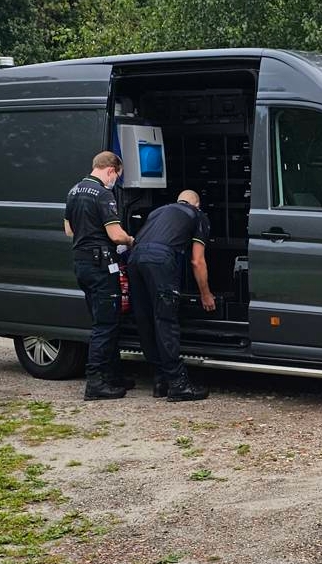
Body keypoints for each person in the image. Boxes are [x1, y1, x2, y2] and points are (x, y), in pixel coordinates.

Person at [128, 189, 217, 401]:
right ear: (197, 204)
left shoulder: (158, 212)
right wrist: (206, 294)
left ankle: (160, 380)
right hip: (160, 260)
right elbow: (197, 260)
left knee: (146, 321)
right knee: (165, 321)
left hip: (135, 258)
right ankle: (178, 384)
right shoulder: (197, 215)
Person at [62, 151, 134, 400]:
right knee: (106, 325)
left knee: (101, 319)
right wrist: (130, 240)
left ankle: (113, 376)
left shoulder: (74, 191)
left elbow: (68, 229)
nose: (115, 181)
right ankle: (95, 382)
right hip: (102, 266)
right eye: (117, 176)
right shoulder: (103, 194)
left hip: (82, 263)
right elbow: (115, 235)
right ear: (111, 170)